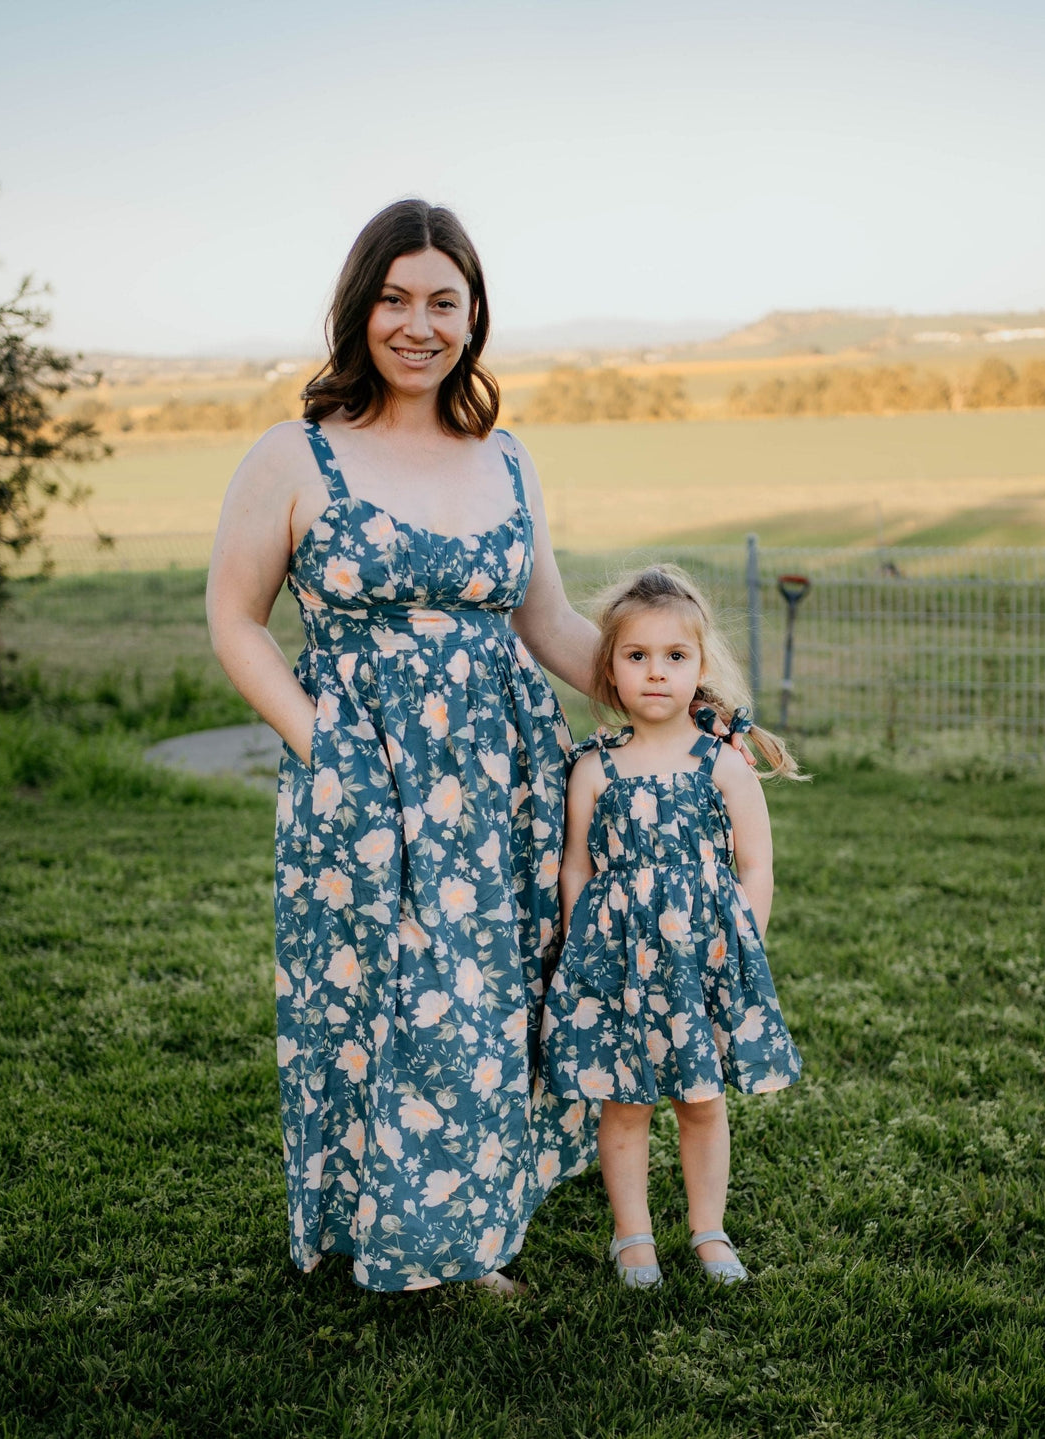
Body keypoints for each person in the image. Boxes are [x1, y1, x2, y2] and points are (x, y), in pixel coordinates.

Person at [206, 198, 611, 1293]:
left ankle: (463, 1235)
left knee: (481, 996)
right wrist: (321, 743)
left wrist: (691, 696)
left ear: (474, 315)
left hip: (500, 775)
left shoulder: (507, 457)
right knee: (366, 991)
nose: (418, 323)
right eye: (395, 298)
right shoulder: (293, 454)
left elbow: (553, 627)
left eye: (443, 300)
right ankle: (363, 1217)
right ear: (360, 308)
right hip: (362, 772)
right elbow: (236, 616)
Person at [540, 565, 803, 1289]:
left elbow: (756, 864)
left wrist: (740, 950)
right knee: (625, 1105)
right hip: (621, 969)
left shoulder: (722, 764)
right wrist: (581, 953)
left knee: (700, 1101)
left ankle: (708, 1230)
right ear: (611, 669)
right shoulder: (594, 769)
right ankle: (633, 1237)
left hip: (700, 964)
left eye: (675, 657)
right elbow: (576, 868)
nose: (656, 673)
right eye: (637, 656)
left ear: (700, 666)